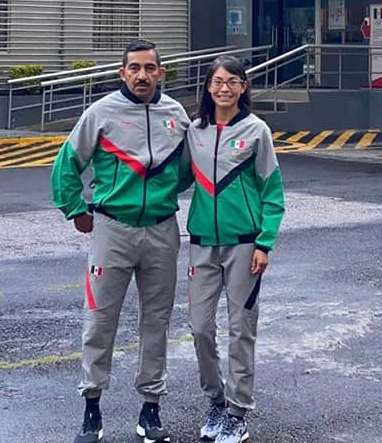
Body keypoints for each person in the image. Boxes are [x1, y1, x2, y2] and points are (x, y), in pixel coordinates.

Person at [51, 39, 191, 443]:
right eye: (134, 68)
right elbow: (67, 163)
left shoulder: (176, 115)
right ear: (122, 72)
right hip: (112, 230)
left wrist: (162, 194)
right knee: (99, 319)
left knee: (157, 320)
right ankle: (91, 409)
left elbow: (186, 170)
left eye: (150, 68)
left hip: (162, 230)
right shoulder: (101, 113)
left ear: (161, 73)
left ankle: (151, 407)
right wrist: (75, 209)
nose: (142, 75)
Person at [180, 55, 285, 443]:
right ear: (208, 87)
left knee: (241, 330)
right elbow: (175, 178)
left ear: (243, 87)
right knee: (200, 328)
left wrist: (264, 242)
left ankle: (238, 412)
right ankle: (216, 400)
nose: (224, 88)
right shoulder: (195, 131)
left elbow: (272, 192)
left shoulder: (257, 131)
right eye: (217, 82)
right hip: (202, 244)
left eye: (232, 82)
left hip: (244, 245)